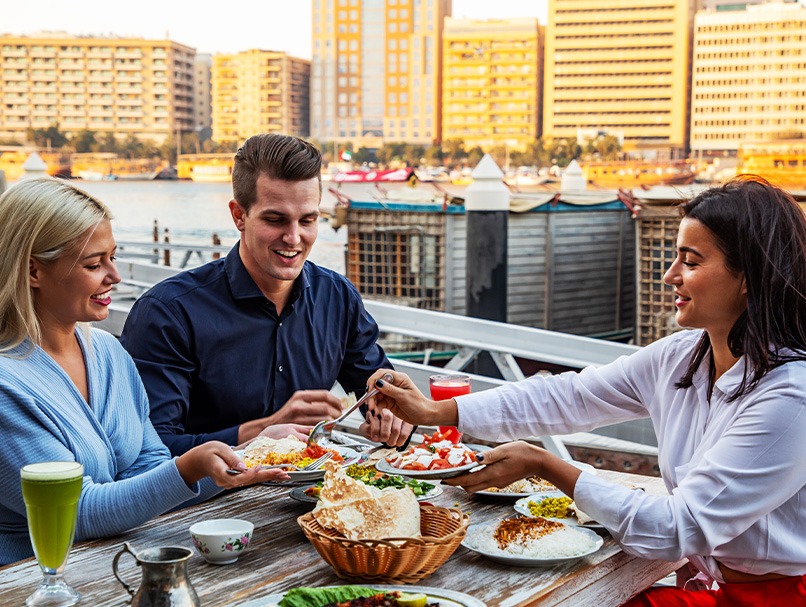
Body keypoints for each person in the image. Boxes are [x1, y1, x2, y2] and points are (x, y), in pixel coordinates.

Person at [367, 177, 806, 606]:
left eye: (690, 262)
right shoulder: (681, 356)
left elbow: (677, 527)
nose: (671, 275)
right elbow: (569, 396)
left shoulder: (790, 398)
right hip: (700, 584)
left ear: (748, 276)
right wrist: (434, 410)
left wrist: (546, 464)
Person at [0, 177, 291, 566]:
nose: (114, 277)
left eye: (113, 258)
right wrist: (188, 467)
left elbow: (150, 467)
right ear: (33, 271)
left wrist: (248, 456)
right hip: (29, 582)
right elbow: (74, 513)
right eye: (93, 264)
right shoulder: (7, 384)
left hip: (116, 563)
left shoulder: (107, 352)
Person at [120, 133, 412, 456]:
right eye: (275, 219)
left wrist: (392, 416)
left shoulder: (338, 297)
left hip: (317, 498)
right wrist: (260, 432)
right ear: (239, 216)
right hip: (208, 505)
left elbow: (380, 393)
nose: (293, 237)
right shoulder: (167, 313)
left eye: (308, 220)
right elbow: (149, 452)